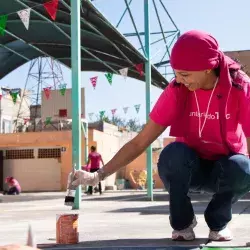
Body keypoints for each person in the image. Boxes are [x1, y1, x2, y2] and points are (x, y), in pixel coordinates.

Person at [71, 30, 250, 242]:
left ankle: (218, 222)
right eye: (176, 73)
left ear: (208, 67)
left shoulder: (239, 86)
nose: (179, 80)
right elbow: (140, 141)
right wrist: (98, 175)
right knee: (172, 155)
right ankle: (182, 224)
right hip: (189, 169)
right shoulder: (177, 89)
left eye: (185, 74)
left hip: (224, 171)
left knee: (242, 166)